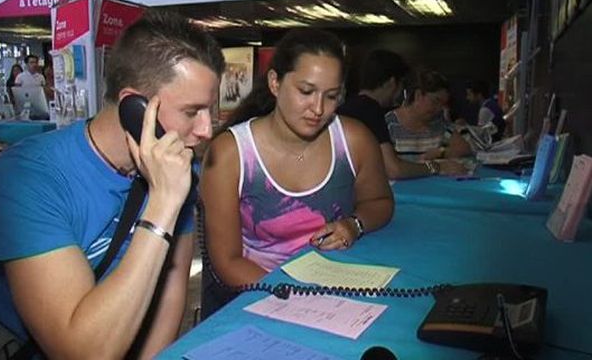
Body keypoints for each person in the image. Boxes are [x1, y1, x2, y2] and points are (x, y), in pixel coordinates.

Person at [0, 11, 224, 359]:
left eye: (210, 111)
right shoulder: (27, 177)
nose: (207, 130)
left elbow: (172, 288)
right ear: (135, 106)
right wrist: (162, 205)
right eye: (192, 112)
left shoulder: (179, 166)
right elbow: (83, 353)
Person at [199, 28, 394, 318]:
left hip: (333, 286)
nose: (318, 109)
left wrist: (354, 225)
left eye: (331, 96)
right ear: (275, 82)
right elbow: (227, 261)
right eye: (306, 92)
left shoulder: (355, 140)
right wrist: (294, 297)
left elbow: (380, 202)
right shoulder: (230, 154)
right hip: (258, 291)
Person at [338, 50, 467, 179]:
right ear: (392, 83)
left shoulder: (345, 108)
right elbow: (393, 169)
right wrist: (436, 167)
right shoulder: (373, 112)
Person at [385, 70, 472, 170]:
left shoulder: (439, 123)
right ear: (418, 95)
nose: (439, 108)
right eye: (435, 101)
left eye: (443, 104)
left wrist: (440, 152)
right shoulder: (389, 124)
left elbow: (464, 148)